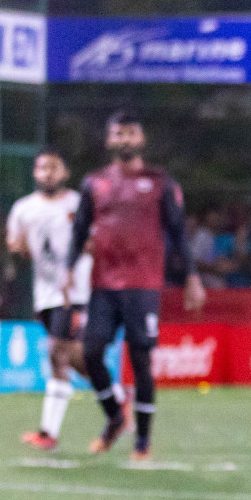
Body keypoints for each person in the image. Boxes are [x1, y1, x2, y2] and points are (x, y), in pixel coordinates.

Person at [68, 111, 205, 459]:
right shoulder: (94, 183)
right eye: (118, 134)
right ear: (109, 140)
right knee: (90, 352)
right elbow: (80, 229)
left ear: (141, 139)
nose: (125, 139)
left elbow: (177, 231)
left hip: (143, 286)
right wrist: (69, 269)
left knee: (141, 361)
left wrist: (191, 275)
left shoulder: (161, 182)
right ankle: (115, 418)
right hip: (103, 285)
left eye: (131, 133)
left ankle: (142, 441)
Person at [6, 151, 92, 450]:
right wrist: (17, 248)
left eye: (54, 167)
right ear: (35, 173)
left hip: (74, 290)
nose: (48, 173)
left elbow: (94, 239)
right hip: (43, 293)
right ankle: (117, 397)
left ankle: (48, 433)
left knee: (57, 351)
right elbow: (15, 242)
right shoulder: (23, 208)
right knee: (74, 358)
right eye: (43, 168)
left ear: (65, 172)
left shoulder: (78, 203)